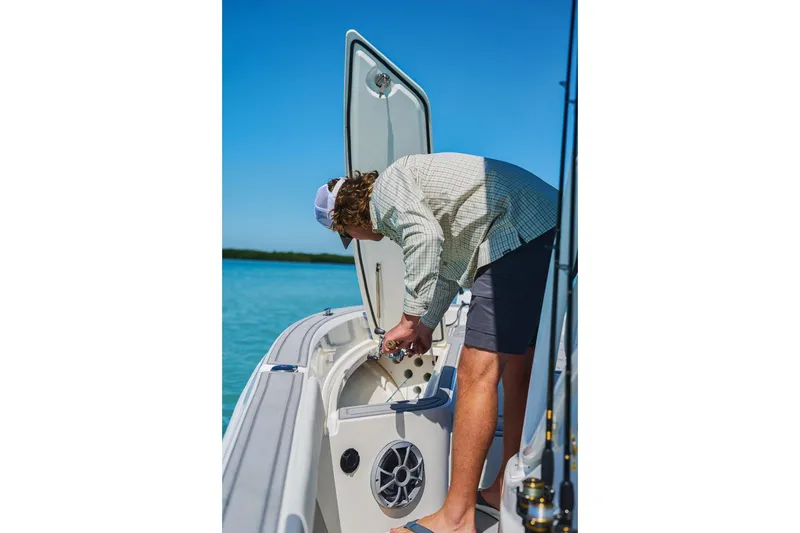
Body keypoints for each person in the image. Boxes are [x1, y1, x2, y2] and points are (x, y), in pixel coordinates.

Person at [313, 152, 557, 533]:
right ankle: (505, 490)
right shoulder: (405, 190)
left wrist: (410, 318)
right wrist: (423, 326)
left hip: (514, 231)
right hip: (546, 227)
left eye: (348, 235)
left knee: (476, 372)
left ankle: (456, 520)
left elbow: (425, 240)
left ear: (347, 219)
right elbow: (445, 270)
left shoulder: (388, 190)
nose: (357, 241)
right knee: (517, 368)